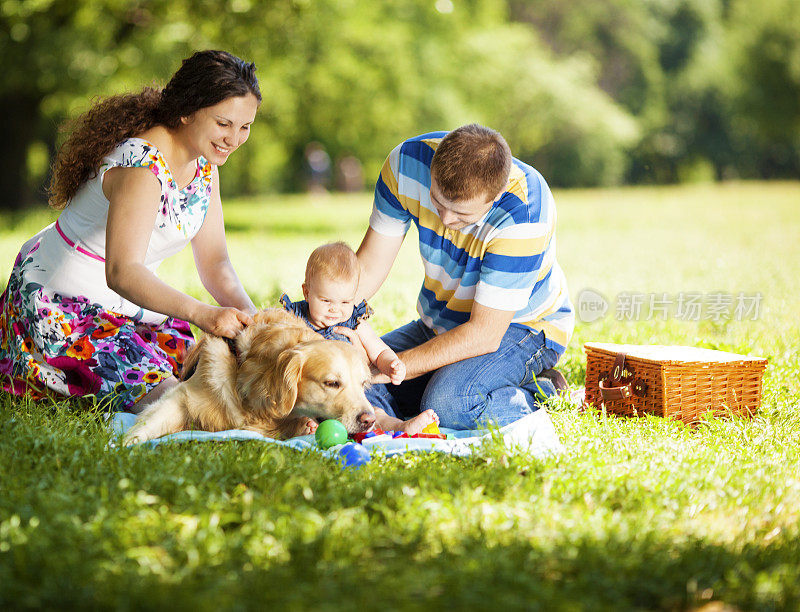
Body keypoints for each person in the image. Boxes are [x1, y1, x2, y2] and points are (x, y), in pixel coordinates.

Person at [0, 50, 260, 413]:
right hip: (62, 306)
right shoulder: (141, 167)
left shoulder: (204, 167)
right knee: (180, 402)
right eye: (224, 123)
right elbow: (122, 272)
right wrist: (202, 313)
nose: (234, 138)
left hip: (126, 310)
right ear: (187, 110)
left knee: (215, 374)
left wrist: (257, 326)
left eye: (244, 126)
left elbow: (215, 263)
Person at [349, 124, 574, 430]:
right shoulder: (406, 164)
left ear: (494, 197)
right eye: (437, 202)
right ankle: (411, 407)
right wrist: (334, 320)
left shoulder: (525, 210)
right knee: (348, 379)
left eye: (462, 216)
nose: (445, 219)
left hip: (523, 327)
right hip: (442, 323)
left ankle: (544, 392)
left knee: (449, 403)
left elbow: (484, 333)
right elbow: (370, 266)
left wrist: (394, 369)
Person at [280, 242, 439, 434]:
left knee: (376, 412)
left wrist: (391, 364)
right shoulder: (296, 320)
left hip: (361, 389)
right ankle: (313, 422)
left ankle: (401, 427)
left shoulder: (354, 322)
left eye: (345, 302)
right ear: (307, 293)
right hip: (322, 394)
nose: (335, 309)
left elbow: (378, 350)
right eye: (326, 300)